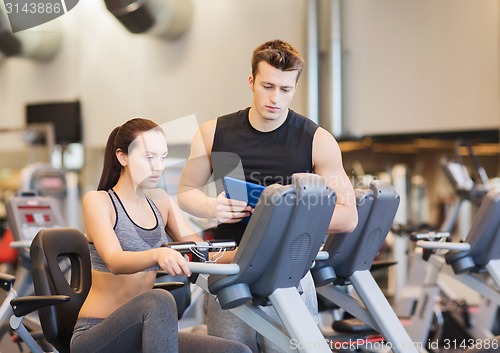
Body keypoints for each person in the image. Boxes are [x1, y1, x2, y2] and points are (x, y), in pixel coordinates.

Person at [177, 39, 358, 352]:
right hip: (231, 271)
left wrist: (293, 217)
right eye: (267, 86)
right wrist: (212, 206)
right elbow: (185, 192)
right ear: (251, 82)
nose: (276, 98)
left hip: (289, 275)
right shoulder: (213, 132)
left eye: (285, 89)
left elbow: (348, 216)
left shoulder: (317, 140)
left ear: (295, 88)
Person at [71, 118, 251, 353]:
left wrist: (246, 254)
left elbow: (201, 250)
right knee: (159, 298)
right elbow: (115, 261)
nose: (158, 166)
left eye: (163, 157)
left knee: (236, 351)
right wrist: (158, 254)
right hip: (97, 335)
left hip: (144, 332)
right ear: (122, 156)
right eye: (149, 157)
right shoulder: (99, 201)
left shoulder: (160, 201)